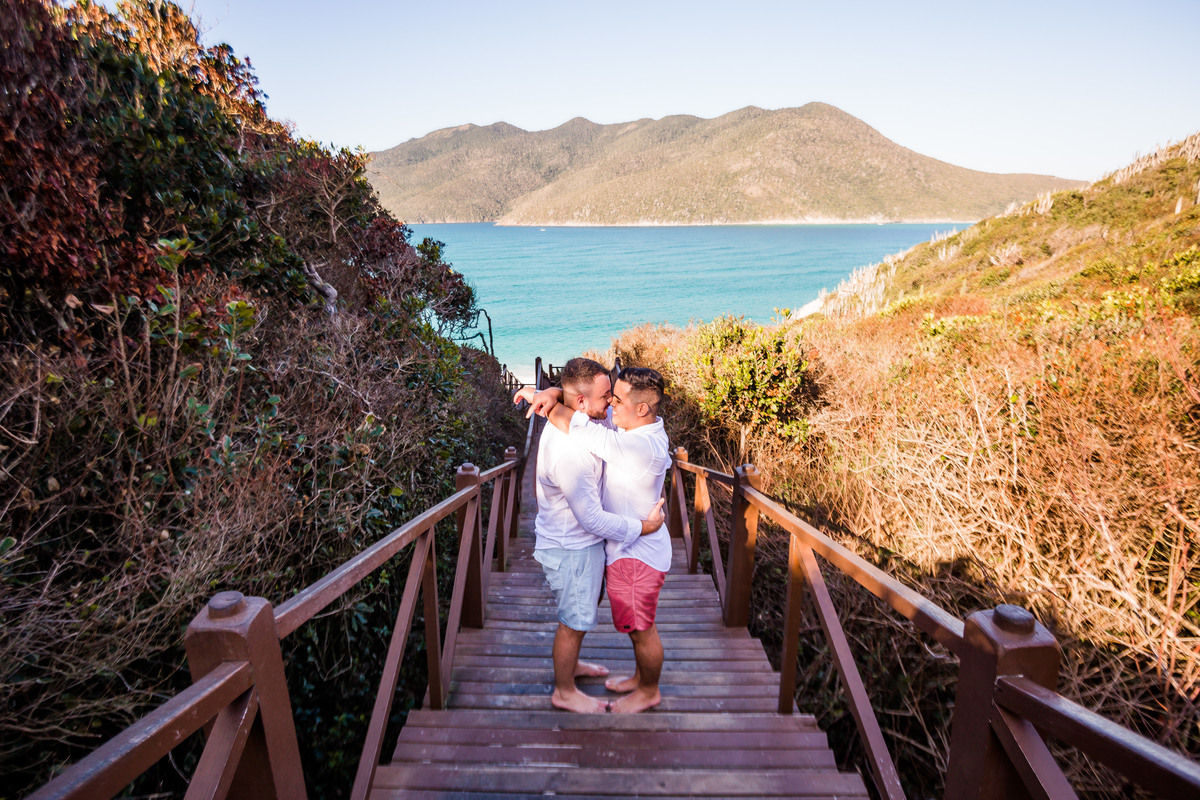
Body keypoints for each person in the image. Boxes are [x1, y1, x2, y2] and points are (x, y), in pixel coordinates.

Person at [520, 366, 671, 713]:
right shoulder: (630, 427)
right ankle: (567, 687)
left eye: (616, 398)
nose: (612, 405)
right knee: (578, 619)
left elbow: (583, 425)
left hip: (637, 556)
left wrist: (547, 398)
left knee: (641, 629)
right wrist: (554, 393)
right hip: (598, 546)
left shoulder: (636, 444)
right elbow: (581, 420)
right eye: (608, 397)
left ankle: (648, 690)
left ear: (642, 408)